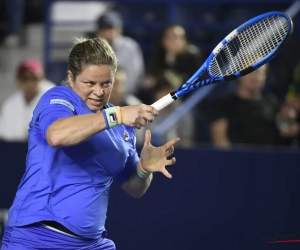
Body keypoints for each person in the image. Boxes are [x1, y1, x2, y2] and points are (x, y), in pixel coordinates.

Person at [0, 37, 180, 250]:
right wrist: (118, 114)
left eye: (106, 83)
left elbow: (134, 188)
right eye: (90, 83)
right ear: (71, 77)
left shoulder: (122, 128)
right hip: (36, 237)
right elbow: (57, 135)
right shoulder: (58, 98)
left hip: (92, 244)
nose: (99, 92)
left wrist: (143, 169)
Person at [88, 10, 145, 96]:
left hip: (125, 96)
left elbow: (135, 77)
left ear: (119, 29)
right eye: (103, 29)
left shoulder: (130, 47)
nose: (107, 33)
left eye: (110, 28)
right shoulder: (89, 48)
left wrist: (119, 93)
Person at [0, 58, 55, 142]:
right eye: (25, 78)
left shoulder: (54, 98)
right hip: (16, 151)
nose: (30, 83)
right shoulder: (10, 104)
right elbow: (4, 135)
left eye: (34, 78)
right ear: (17, 79)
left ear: (42, 77)